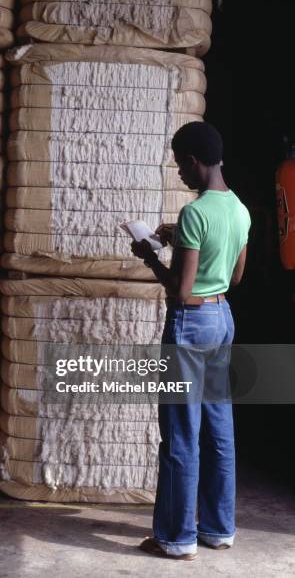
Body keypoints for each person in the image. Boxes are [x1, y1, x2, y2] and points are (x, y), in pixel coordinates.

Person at [131, 121, 251, 561]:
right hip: (222, 318)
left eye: (181, 165)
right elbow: (234, 277)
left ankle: (177, 538)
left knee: (181, 435)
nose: (180, 173)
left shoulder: (195, 213)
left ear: (193, 161)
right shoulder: (240, 209)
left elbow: (180, 290)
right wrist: (179, 240)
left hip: (190, 324)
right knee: (220, 429)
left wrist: (150, 257)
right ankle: (218, 529)